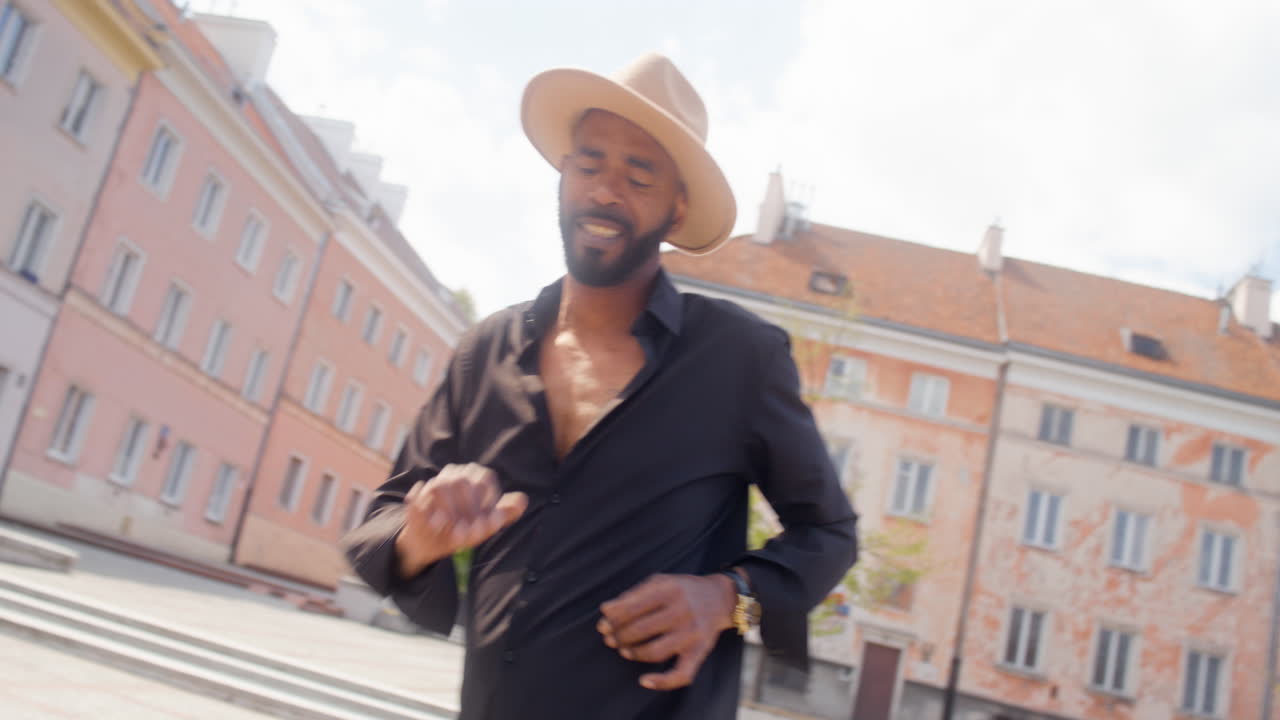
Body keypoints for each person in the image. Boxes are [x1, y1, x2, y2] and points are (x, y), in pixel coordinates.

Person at [344, 53, 858, 720]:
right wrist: (423, 534)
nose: (606, 190)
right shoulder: (483, 352)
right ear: (563, 178)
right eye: (589, 165)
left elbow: (830, 533)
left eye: (638, 173)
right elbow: (387, 521)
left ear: (676, 210)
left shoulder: (741, 359)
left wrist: (729, 599)